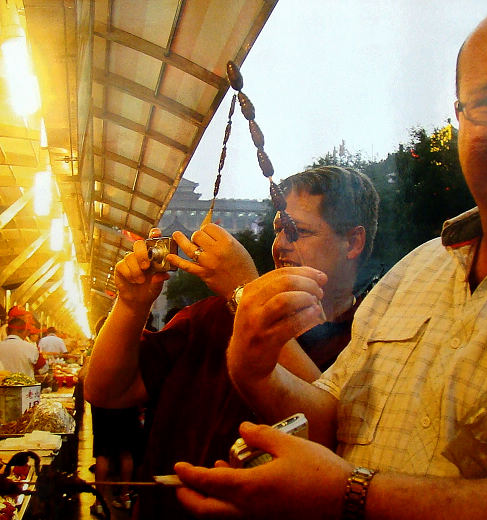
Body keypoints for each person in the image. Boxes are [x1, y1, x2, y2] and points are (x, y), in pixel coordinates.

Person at [172, 4, 487, 520]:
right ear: (460, 120)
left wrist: (350, 496)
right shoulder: (421, 266)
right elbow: (338, 417)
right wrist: (255, 371)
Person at [84, 166, 379, 519]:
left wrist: (245, 294)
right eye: (278, 230)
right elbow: (106, 391)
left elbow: (334, 432)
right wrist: (130, 304)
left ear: (353, 242)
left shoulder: (370, 342)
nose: (281, 245)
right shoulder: (212, 317)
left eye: (298, 231)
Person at [88, 316, 143, 517]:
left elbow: (84, 378)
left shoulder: (96, 351)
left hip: (103, 407)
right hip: (128, 405)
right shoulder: (134, 348)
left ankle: (100, 501)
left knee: (103, 454)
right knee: (126, 452)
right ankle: (125, 497)